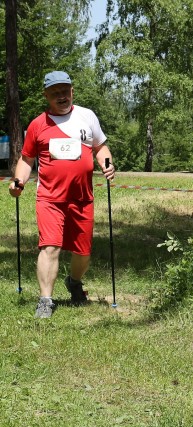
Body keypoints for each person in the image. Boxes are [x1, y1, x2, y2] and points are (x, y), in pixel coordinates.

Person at [9, 71, 116, 318]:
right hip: (49, 198)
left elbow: (100, 147)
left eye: (65, 91)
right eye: (55, 92)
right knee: (50, 247)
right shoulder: (38, 124)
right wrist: (18, 182)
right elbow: (26, 160)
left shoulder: (86, 116)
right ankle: (45, 300)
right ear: (46, 96)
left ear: (72, 91)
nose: (61, 96)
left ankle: (74, 282)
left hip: (82, 198)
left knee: (83, 253)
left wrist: (107, 163)